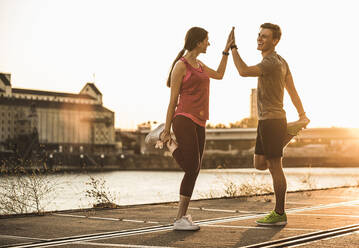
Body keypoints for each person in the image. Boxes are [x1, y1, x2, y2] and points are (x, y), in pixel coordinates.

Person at [230, 23, 309, 226]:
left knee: (275, 167)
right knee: (259, 164)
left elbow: (243, 71)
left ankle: (279, 213)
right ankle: (288, 132)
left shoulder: (271, 62)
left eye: (264, 36)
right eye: (259, 35)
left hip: (273, 121)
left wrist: (232, 48)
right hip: (265, 121)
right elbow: (292, 90)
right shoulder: (281, 61)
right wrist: (302, 114)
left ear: (274, 41)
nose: (259, 38)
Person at [155, 27, 233, 231]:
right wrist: (166, 129)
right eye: (207, 40)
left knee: (195, 169)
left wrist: (226, 50)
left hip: (200, 121)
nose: (209, 44)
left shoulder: (199, 65)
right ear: (198, 42)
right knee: (191, 166)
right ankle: (170, 144)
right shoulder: (181, 67)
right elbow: (172, 101)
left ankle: (180, 218)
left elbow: (220, 75)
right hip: (183, 118)